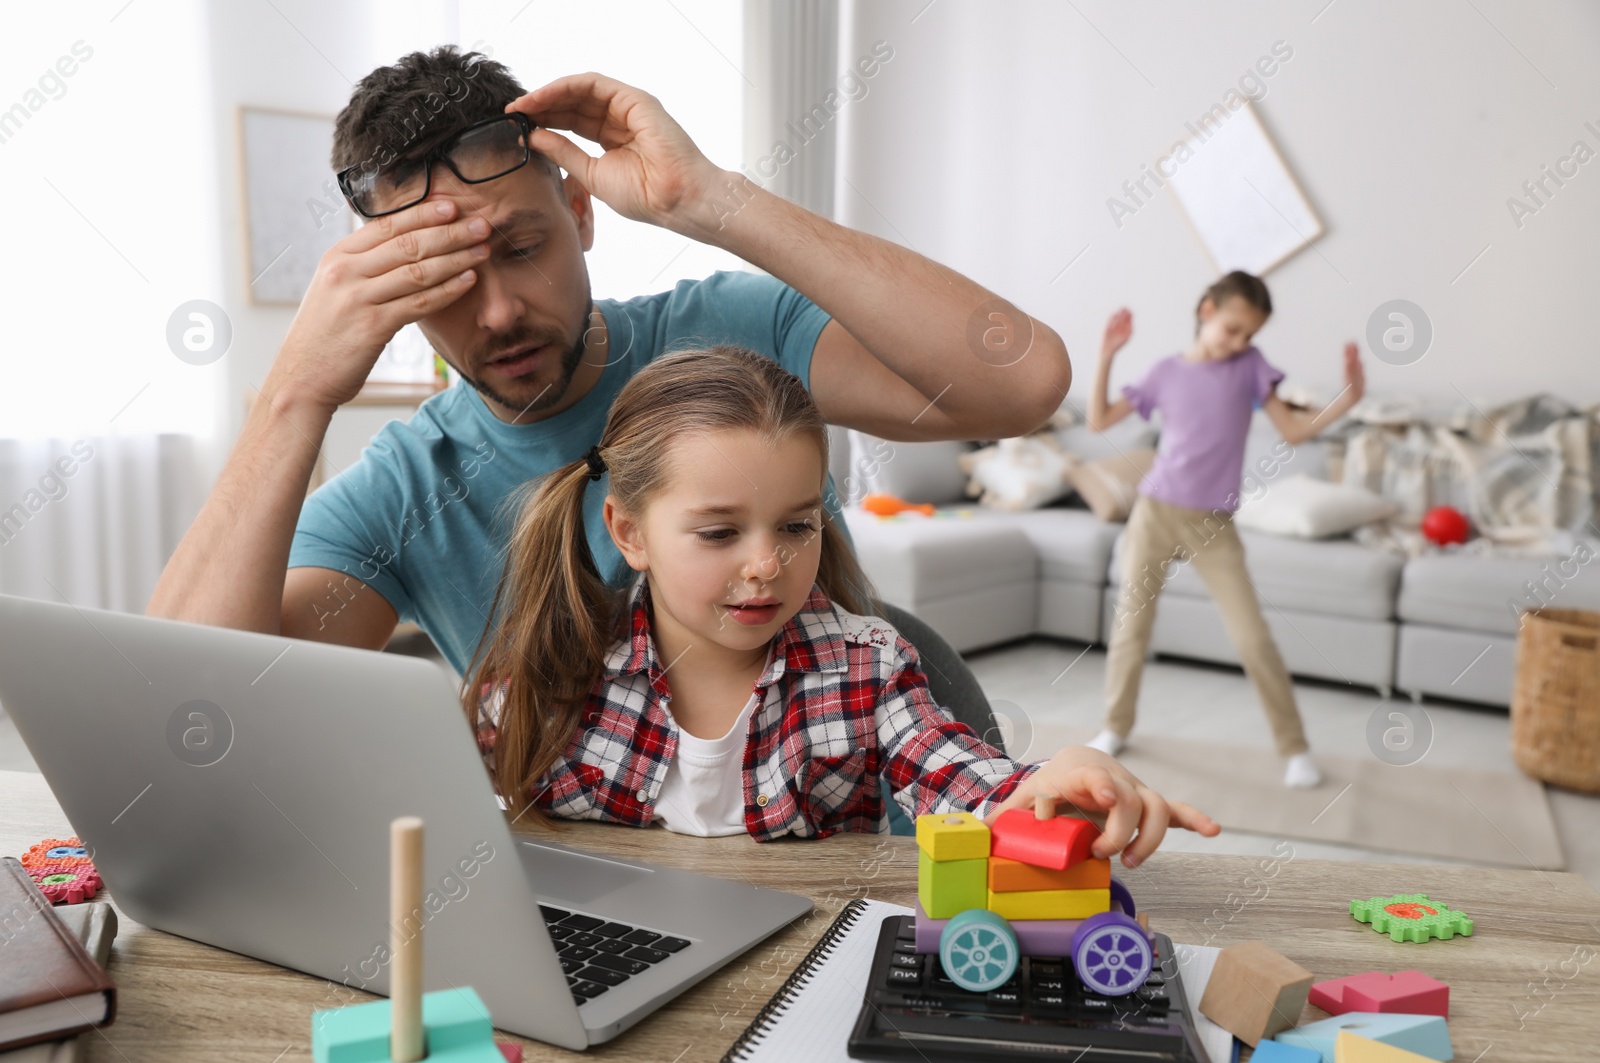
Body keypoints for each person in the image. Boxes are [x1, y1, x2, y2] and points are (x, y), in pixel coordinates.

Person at [146, 47, 1071, 738]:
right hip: (614, 875)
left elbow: (1022, 383)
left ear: (581, 214)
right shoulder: (406, 489)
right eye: (446, 278)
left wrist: (714, 201)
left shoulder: (734, 331)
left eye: (520, 248)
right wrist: (294, 394)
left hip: (836, 831)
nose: (501, 310)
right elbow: (192, 712)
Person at [469, 344, 1220, 860]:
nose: (767, 563)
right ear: (629, 531)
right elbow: (447, 809)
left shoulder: (866, 666)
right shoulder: (553, 664)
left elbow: (958, 776)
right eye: (720, 531)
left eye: (798, 526)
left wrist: (1046, 787)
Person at [1086, 271, 1366, 788]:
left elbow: (1293, 431)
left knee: (1252, 639)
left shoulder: (1249, 369)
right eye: (1233, 328)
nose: (1239, 342)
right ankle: (1114, 727)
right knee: (1130, 629)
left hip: (1212, 524)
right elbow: (1099, 420)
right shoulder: (1165, 372)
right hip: (1155, 512)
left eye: (1249, 335)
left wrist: (1347, 399)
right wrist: (1107, 354)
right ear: (1207, 309)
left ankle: (1295, 748)